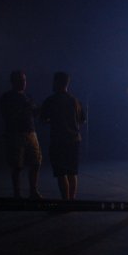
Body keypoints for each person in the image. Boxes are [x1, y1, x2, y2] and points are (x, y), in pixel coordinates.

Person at [40, 72, 86, 200]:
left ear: (57, 82)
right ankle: (72, 201)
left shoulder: (51, 100)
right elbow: (82, 120)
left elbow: (43, 119)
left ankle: (65, 201)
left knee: (61, 173)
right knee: (72, 173)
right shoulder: (75, 101)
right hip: (74, 140)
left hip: (58, 141)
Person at [0, 70, 42, 199]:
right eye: (21, 80)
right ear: (13, 82)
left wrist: (38, 110)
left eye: (24, 80)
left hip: (31, 132)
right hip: (15, 134)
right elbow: (7, 116)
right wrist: (24, 108)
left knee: (36, 162)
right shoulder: (7, 97)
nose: (24, 82)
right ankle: (17, 193)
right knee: (17, 166)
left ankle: (33, 191)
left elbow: (34, 114)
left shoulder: (28, 96)